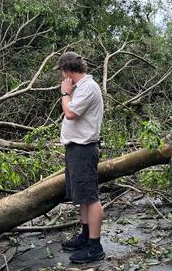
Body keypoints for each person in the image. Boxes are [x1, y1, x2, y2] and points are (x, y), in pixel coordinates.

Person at [54, 51, 105, 263]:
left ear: (67, 71)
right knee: (82, 195)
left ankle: (95, 246)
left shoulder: (88, 87)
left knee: (91, 196)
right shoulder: (81, 87)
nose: (61, 78)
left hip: (84, 148)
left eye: (61, 72)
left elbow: (70, 113)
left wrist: (65, 94)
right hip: (76, 148)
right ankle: (85, 236)